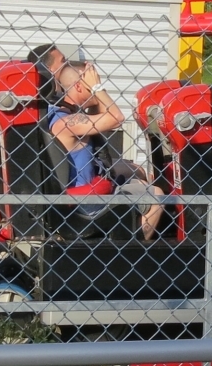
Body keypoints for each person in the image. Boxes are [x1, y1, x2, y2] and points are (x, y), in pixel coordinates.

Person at [46, 61, 164, 239]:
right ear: (78, 86)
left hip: (88, 192)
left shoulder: (63, 113)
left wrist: (94, 90)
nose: (99, 86)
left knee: (138, 177)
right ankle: (133, 248)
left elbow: (101, 115)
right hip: (85, 204)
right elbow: (116, 118)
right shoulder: (69, 123)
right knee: (157, 195)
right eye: (93, 82)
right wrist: (97, 88)